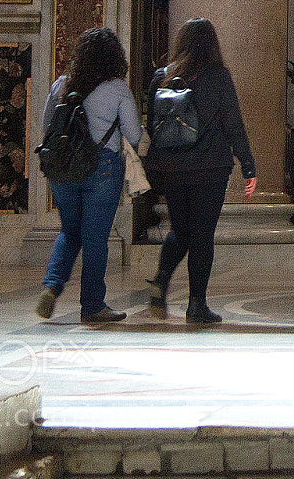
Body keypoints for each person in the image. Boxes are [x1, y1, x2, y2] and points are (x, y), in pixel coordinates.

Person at [144, 18, 257, 325]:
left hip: (173, 168)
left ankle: (161, 280)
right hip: (210, 167)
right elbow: (233, 123)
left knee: (180, 230)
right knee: (202, 236)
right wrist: (248, 166)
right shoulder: (218, 77)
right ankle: (197, 305)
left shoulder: (161, 77)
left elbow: (153, 126)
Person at [36, 27, 143, 324]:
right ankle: (93, 305)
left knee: (70, 232)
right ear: (115, 58)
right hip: (102, 169)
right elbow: (133, 135)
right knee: (96, 239)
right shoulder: (118, 89)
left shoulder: (61, 84)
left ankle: (51, 286)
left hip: (64, 169)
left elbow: (48, 127)